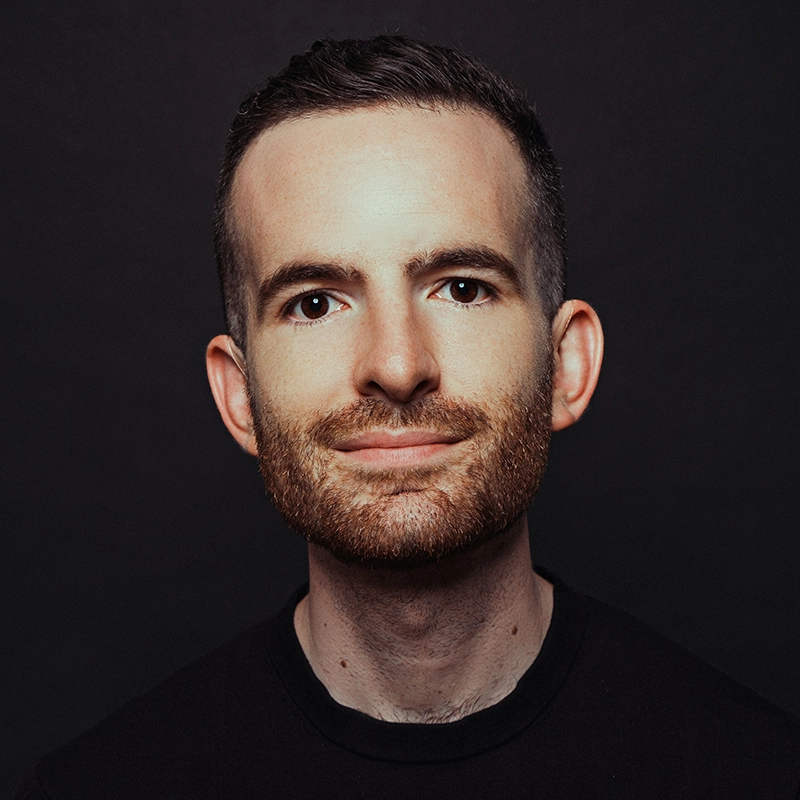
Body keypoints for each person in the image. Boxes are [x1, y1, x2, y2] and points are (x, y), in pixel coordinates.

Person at [15, 36, 800, 799]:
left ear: (566, 364)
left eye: (462, 287)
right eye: (315, 302)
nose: (396, 366)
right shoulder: (97, 788)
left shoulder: (757, 773)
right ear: (239, 393)